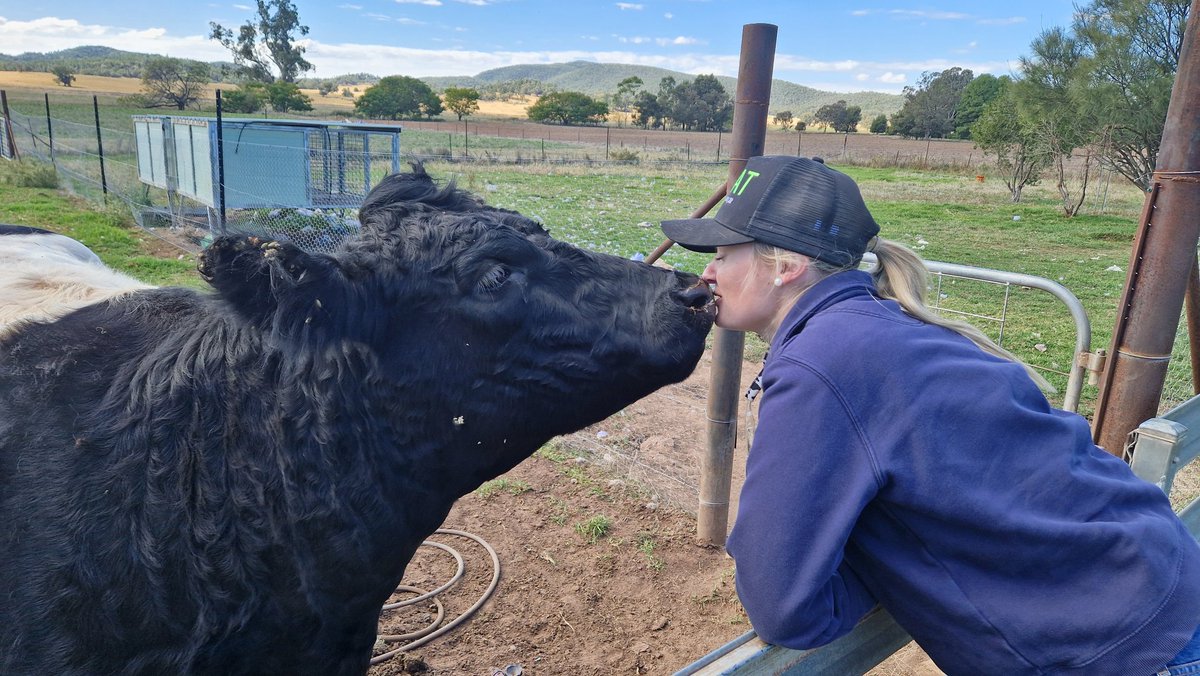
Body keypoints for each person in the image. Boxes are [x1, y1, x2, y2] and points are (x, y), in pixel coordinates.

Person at [661, 155, 1200, 675]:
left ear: (786, 266)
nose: (705, 273)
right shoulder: (880, 325)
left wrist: (884, 572)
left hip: (1123, 642)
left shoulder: (819, 364)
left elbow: (782, 608)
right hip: (1157, 577)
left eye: (723, 253)